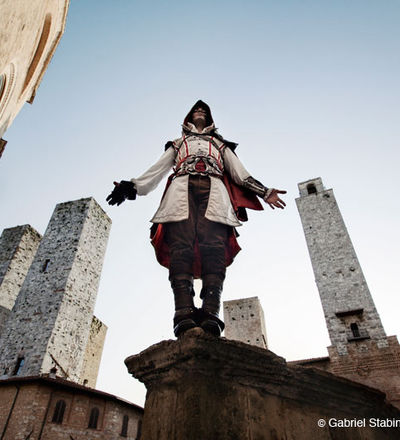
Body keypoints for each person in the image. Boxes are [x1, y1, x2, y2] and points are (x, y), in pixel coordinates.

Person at [107, 100, 286, 337]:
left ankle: (211, 313)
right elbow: (157, 170)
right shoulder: (178, 144)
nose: (199, 110)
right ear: (188, 118)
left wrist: (265, 192)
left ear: (210, 119)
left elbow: (240, 174)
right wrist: (132, 187)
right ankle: (183, 313)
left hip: (215, 191)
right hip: (181, 189)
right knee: (180, 249)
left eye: (204, 110)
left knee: (214, 248)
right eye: (195, 110)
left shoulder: (221, 146)